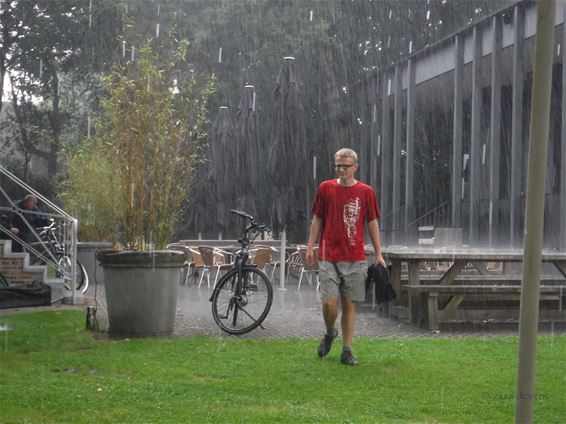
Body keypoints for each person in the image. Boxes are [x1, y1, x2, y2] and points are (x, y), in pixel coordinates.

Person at [306, 148, 386, 366]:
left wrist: (378, 253)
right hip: (328, 255)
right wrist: (310, 247)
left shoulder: (366, 192)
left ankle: (347, 350)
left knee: (349, 305)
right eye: (338, 166)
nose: (341, 169)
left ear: (355, 167)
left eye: (345, 166)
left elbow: (372, 223)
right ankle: (330, 332)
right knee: (329, 302)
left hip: (355, 256)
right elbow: (317, 219)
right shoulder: (326, 188)